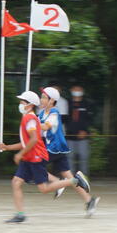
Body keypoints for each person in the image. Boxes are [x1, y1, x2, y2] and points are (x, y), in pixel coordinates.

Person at [0, 91, 91, 224]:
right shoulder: (29, 118)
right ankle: (20, 214)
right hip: (29, 157)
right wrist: (7, 147)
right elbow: (25, 142)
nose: (20, 104)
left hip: (35, 157)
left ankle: (75, 181)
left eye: (22, 102)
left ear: (30, 105)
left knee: (44, 189)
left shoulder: (30, 119)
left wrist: (20, 154)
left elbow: (34, 140)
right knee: (16, 182)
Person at [39, 86, 99, 217]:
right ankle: (89, 200)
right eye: (41, 96)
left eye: (43, 97)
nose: (41, 99)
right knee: (68, 175)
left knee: (35, 166)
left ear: (52, 101)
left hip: (54, 148)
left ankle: (57, 182)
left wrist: (32, 122)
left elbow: (45, 127)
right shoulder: (42, 113)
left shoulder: (54, 113)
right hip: (56, 148)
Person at [65, 85, 92, 176]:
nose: (77, 91)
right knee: (69, 158)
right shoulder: (67, 103)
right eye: (75, 89)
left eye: (79, 89)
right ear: (71, 90)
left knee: (84, 158)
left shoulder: (87, 104)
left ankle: (84, 177)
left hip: (83, 136)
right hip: (69, 136)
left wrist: (85, 131)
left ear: (83, 91)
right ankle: (70, 178)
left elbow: (89, 119)